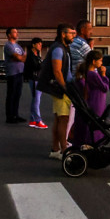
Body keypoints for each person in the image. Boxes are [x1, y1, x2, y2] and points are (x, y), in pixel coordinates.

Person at [46, 23, 76, 159]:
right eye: (71, 33)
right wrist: (65, 87)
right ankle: (64, 150)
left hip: (61, 88)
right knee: (63, 119)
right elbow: (57, 71)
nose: (73, 36)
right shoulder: (58, 49)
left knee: (59, 119)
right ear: (63, 34)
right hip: (61, 89)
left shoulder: (63, 48)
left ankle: (55, 149)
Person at [72, 49, 109, 147]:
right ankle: (93, 143)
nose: (101, 63)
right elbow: (105, 87)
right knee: (96, 125)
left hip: (94, 100)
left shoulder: (88, 74)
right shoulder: (93, 74)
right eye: (100, 60)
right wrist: (104, 75)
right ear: (94, 61)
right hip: (96, 102)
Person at [4, 27, 27, 123]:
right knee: (11, 95)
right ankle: (9, 117)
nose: (17, 34)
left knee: (18, 95)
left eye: (17, 32)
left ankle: (15, 115)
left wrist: (20, 58)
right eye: (14, 32)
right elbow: (18, 57)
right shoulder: (8, 46)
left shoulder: (18, 46)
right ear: (9, 35)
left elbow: (24, 57)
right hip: (12, 73)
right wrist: (19, 58)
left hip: (20, 72)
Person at [25, 38, 46, 128]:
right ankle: (38, 120)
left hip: (38, 78)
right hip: (34, 79)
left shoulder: (37, 55)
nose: (40, 46)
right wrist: (44, 63)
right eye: (38, 44)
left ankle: (32, 120)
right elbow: (36, 66)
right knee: (36, 99)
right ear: (33, 45)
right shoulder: (31, 56)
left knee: (35, 99)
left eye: (41, 44)